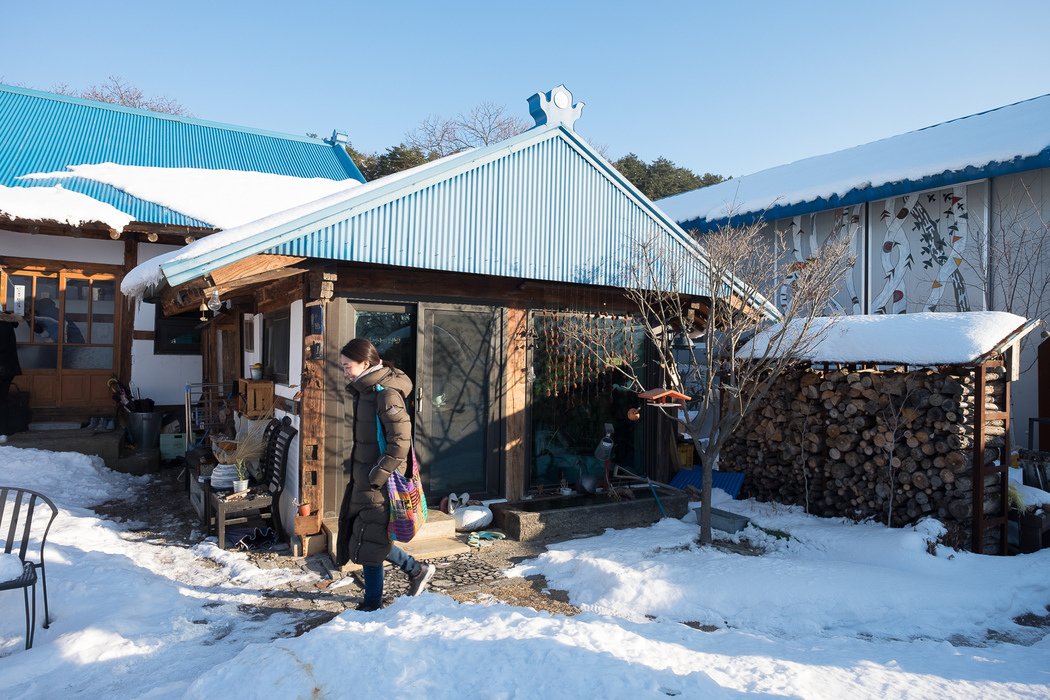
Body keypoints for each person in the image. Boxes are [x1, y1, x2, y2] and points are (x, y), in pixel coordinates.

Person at [334, 337, 435, 611]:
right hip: (366, 477)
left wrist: (377, 475)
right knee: (367, 536)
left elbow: (400, 441)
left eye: (347, 366)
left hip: (380, 482)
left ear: (365, 363)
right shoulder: (367, 391)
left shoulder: (385, 393)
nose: (344, 371)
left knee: (369, 538)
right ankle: (415, 570)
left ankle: (373, 602)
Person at [0, 310, 24, 440]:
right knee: (2, 401)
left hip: (1, 369)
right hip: (8, 369)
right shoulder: (7, 324)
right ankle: (2, 433)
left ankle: (2, 432)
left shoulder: (1, 324)